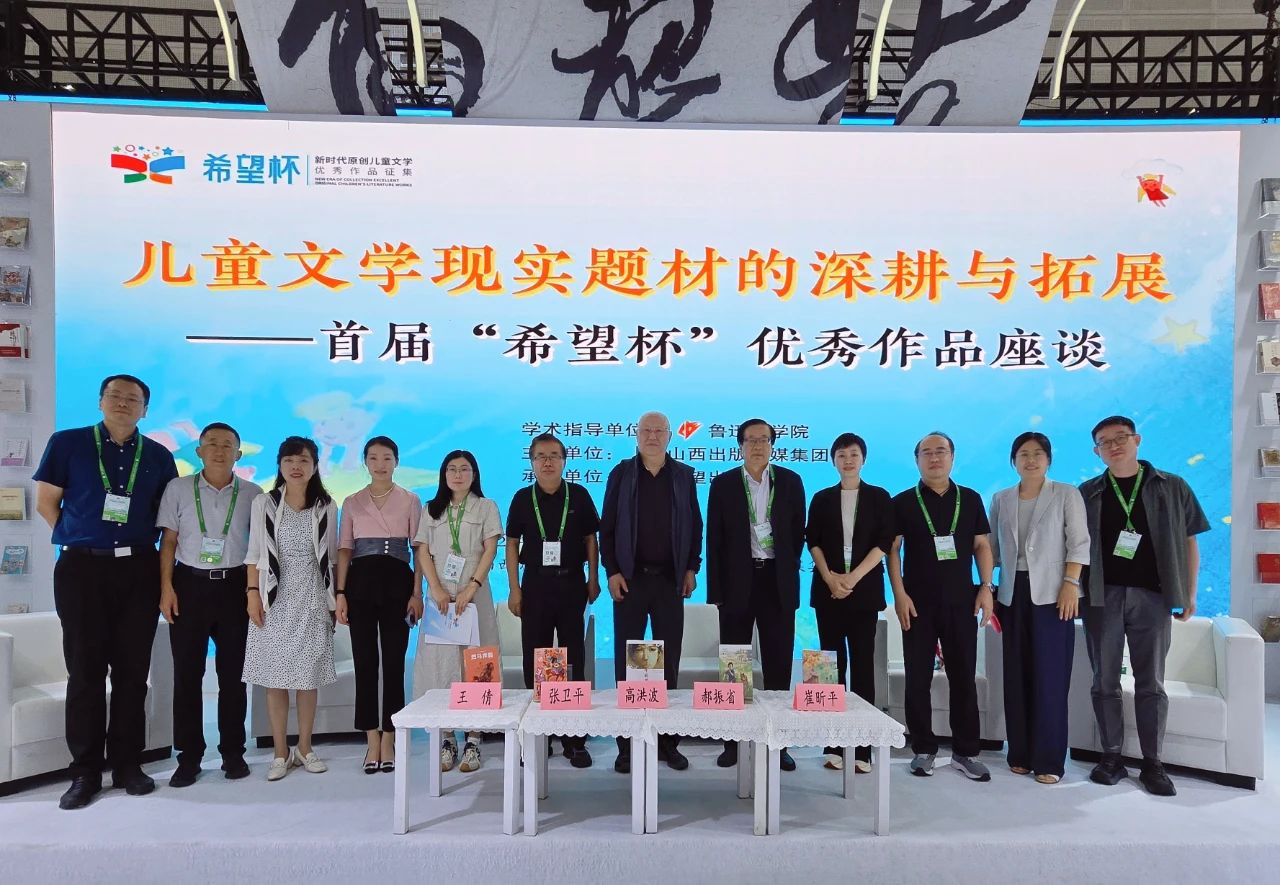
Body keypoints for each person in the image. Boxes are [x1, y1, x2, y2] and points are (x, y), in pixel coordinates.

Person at [33, 374, 178, 810]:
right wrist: (80, 538)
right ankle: (85, 772)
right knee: (85, 672)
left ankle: (128, 765)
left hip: (138, 568)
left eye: (133, 399)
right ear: (100, 401)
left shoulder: (158, 456)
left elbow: (165, 519)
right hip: (82, 569)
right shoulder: (68, 443)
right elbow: (46, 502)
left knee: (132, 673)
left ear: (145, 410)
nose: (123, 404)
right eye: (115, 396)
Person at [1079, 416, 1209, 797]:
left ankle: (1153, 763)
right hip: (1102, 597)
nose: (1114, 446)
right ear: (1097, 452)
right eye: (1105, 442)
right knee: (1104, 681)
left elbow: (1190, 541)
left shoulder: (1172, 486)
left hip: (1153, 597)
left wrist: (1189, 593)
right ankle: (1111, 757)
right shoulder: (1087, 492)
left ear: (1137, 439)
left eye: (1120, 438)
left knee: (1150, 682)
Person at [157, 422, 263, 788]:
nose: (219, 450)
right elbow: (168, 542)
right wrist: (166, 588)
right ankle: (189, 757)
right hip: (189, 585)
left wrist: (253, 591)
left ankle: (233, 752)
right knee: (187, 676)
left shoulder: (253, 494)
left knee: (233, 676)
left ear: (238, 453)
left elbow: (258, 549)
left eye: (227, 445)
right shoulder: (178, 488)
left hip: (235, 587)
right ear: (199, 451)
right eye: (212, 444)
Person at [887, 431, 995, 783]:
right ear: (917, 459)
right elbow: (893, 552)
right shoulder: (903, 501)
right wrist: (899, 595)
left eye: (941, 451)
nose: (934, 458)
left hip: (961, 601)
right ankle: (923, 749)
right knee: (917, 678)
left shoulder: (971, 498)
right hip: (917, 604)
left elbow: (981, 546)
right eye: (927, 453)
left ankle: (966, 751)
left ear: (952, 456)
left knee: (963, 677)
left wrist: (986, 587)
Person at [600, 411, 702, 774]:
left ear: (670, 436)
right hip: (630, 580)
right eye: (646, 430)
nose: (653, 436)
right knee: (627, 663)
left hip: (670, 581)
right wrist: (611, 571)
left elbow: (695, 524)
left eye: (659, 431)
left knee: (668, 661)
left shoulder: (683, 475)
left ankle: (667, 742)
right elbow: (607, 527)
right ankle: (627, 745)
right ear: (636, 435)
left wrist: (691, 567)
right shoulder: (622, 473)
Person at [988, 432, 1089, 785]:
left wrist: (1071, 584)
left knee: (1050, 677)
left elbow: (1079, 543)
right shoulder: (1001, 499)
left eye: (1037, 454)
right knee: (1015, 676)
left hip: (1054, 595)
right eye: (1023, 454)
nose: (1030, 460)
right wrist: (986, 587)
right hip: (1011, 595)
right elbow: (992, 549)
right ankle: (1019, 753)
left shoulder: (1066, 494)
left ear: (1048, 459)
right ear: (1013, 460)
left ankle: (1049, 760)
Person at [706, 418, 805, 771]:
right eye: (751, 440)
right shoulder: (723, 484)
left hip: (777, 582)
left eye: (764, 439)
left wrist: (788, 573)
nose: (758, 445)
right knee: (735, 664)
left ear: (773, 444)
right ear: (740, 446)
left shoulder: (790, 481)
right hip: (737, 583)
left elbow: (797, 533)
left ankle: (778, 743)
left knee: (779, 664)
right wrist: (716, 591)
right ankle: (733, 742)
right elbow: (714, 539)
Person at [242, 436, 338, 782]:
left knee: (308, 678)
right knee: (275, 679)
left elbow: (330, 559)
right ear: (280, 465)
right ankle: (280, 752)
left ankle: (305, 747)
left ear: (315, 466)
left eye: (304, 461)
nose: (296, 467)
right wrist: (252, 593)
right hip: (274, 598)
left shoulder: (326, 505)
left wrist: (334, 600)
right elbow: (254, 553)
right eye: (289, 461)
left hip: (312, 596)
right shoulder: (264, 503)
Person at [505, 433, 601, 768]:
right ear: (532, 462)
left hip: (572, 583)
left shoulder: (580, 495)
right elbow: (512, 544)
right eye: (540, 456)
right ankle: (538, 735)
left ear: (564, 461)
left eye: (554, 456)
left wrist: (593, 578)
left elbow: (591, 539)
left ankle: (574, 738)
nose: (547, 462)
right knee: (537, 658)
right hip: (535, 585)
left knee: (573, 657)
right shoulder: (522, 498)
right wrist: (514, 589)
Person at [804, 432, 893, 773]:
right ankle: (832, 744)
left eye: (854, 454)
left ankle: (862, 749)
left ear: (863, 459)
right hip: (828, 591)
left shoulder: (879, 497)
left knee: (863, 667)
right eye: (841, 455)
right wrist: (830, 578)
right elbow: (813, 540)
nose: (848, 460)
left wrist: (852, 578)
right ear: (833, 461)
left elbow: (884, 542)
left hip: (864, 592)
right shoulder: (822, 498)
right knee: (830, 667)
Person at [335, 436, 422, 774]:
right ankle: (371, 737)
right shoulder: (352, 501)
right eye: (373, 458)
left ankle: (390, 737)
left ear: (396, 462)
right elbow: (345, 549)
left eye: (387, 458)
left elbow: (419, 550)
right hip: (360, 586)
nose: (380, 464)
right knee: (365, 662)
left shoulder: (410, 500)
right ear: (365, 462)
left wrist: (417, 593)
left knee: (395, 664)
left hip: (398, 584)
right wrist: (340, 593)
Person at [412, 449, 502, 774]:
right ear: (444, 475)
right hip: (441, 600)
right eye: (452, 469)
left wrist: (471, 587)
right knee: (441, 665)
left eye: (464, 469)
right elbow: (423, 551)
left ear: (474, 474)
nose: (458, 475)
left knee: (477, 664)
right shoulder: (431, 509)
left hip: (473, 597)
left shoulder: (486, 506)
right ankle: (447, 738)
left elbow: (490, 549)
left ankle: (474, 740)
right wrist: (435, 588)